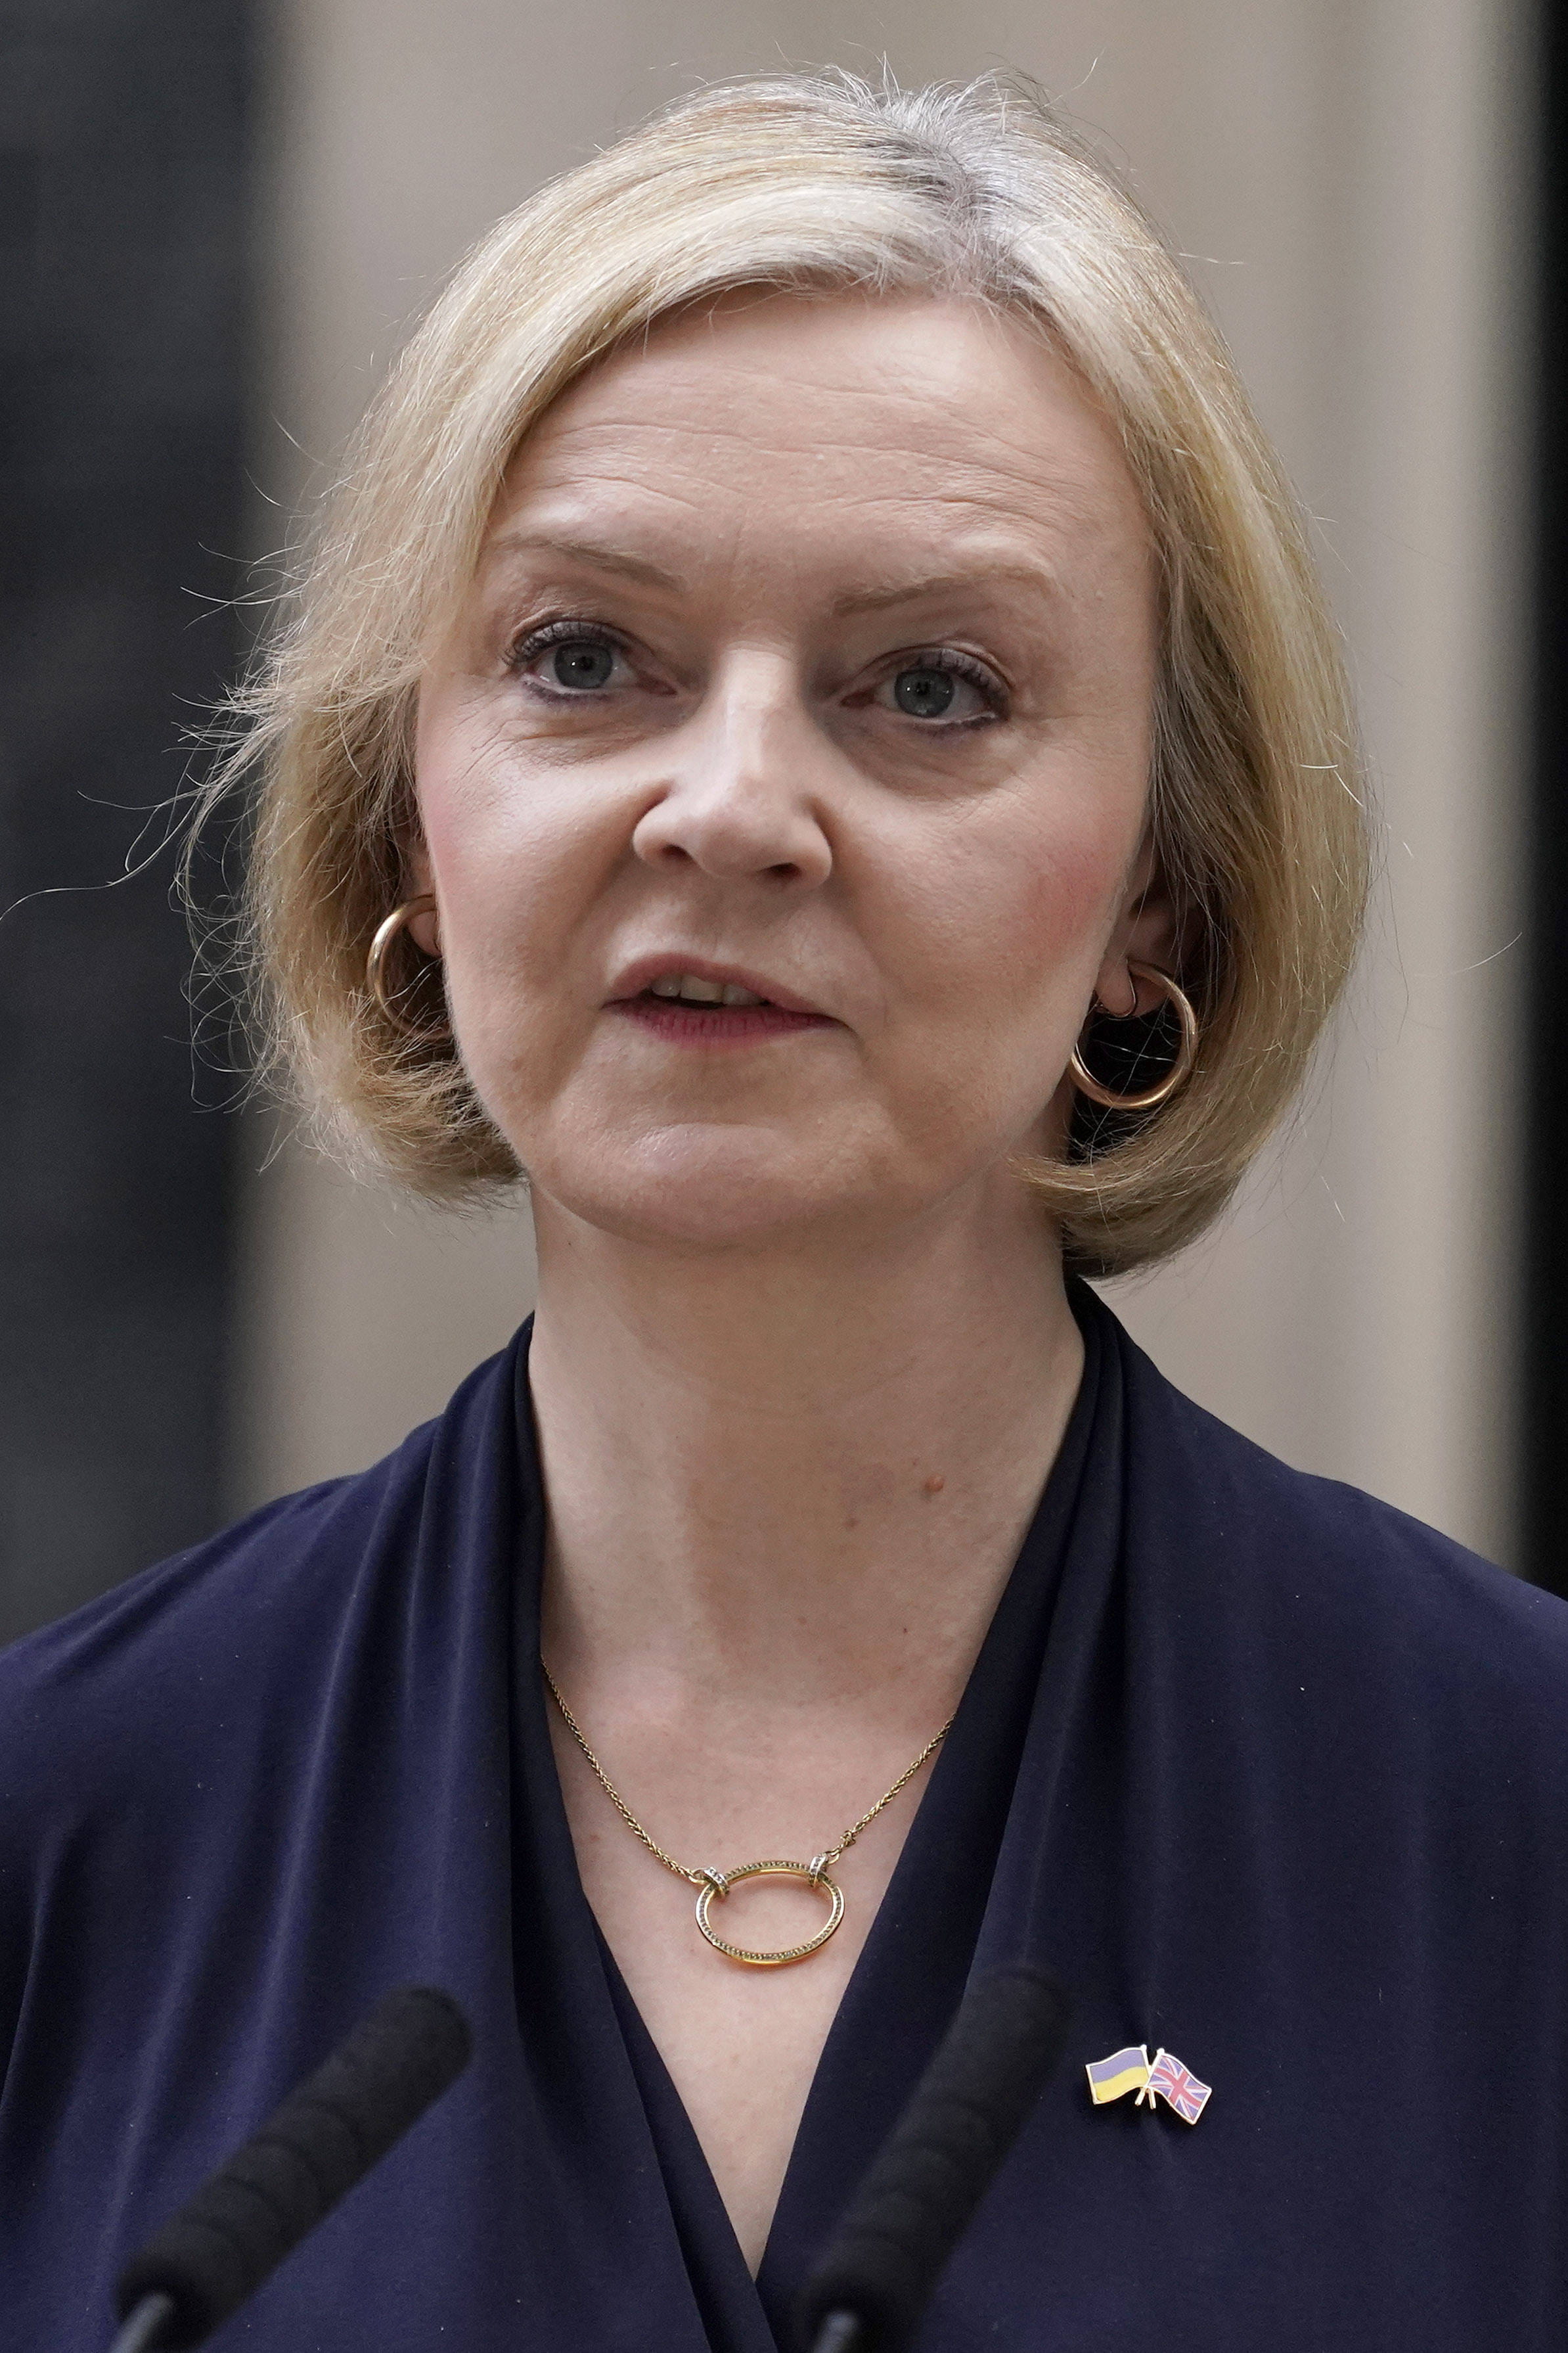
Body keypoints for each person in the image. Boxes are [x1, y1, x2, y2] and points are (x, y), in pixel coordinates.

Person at [3, 71, 1564, 2353]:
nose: (726, 809)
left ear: (1162, 893)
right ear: (410, 822)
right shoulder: (66, 1831)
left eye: (929, 687)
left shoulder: (1511, 1827)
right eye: (581, 659)